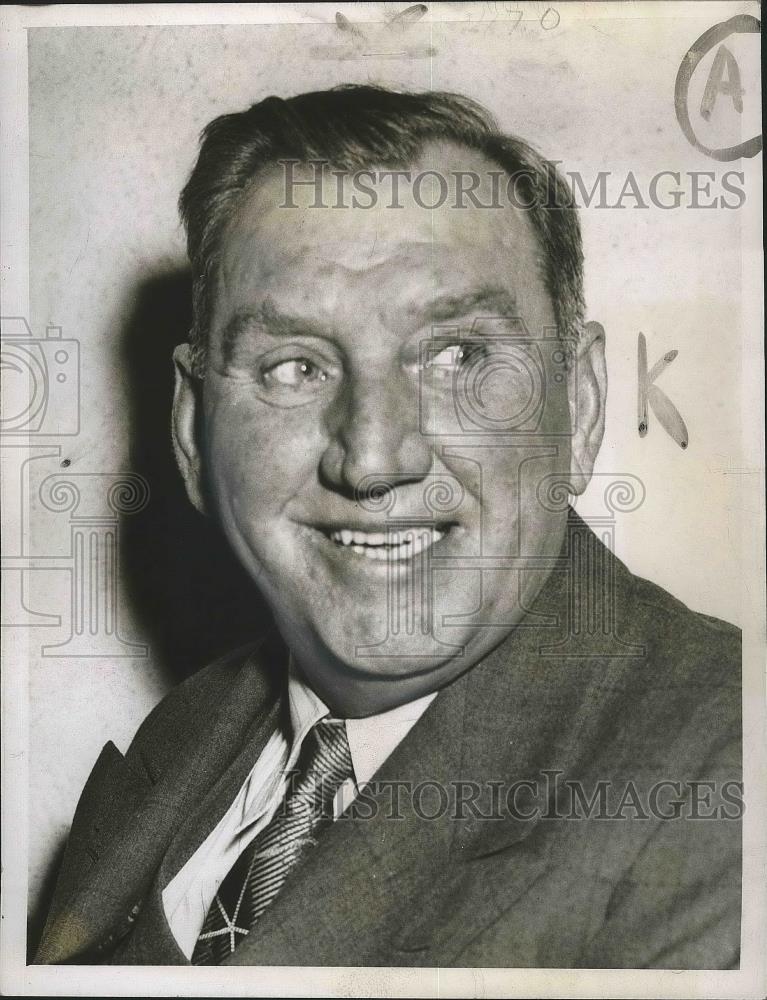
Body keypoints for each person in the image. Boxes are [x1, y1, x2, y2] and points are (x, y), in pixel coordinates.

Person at [34, 85, 741, 969]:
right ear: (190, 430)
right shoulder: (190, 733)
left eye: (457, 357)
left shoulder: (721, 779)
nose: (371, 460)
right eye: (294, 365)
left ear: (583, 405)